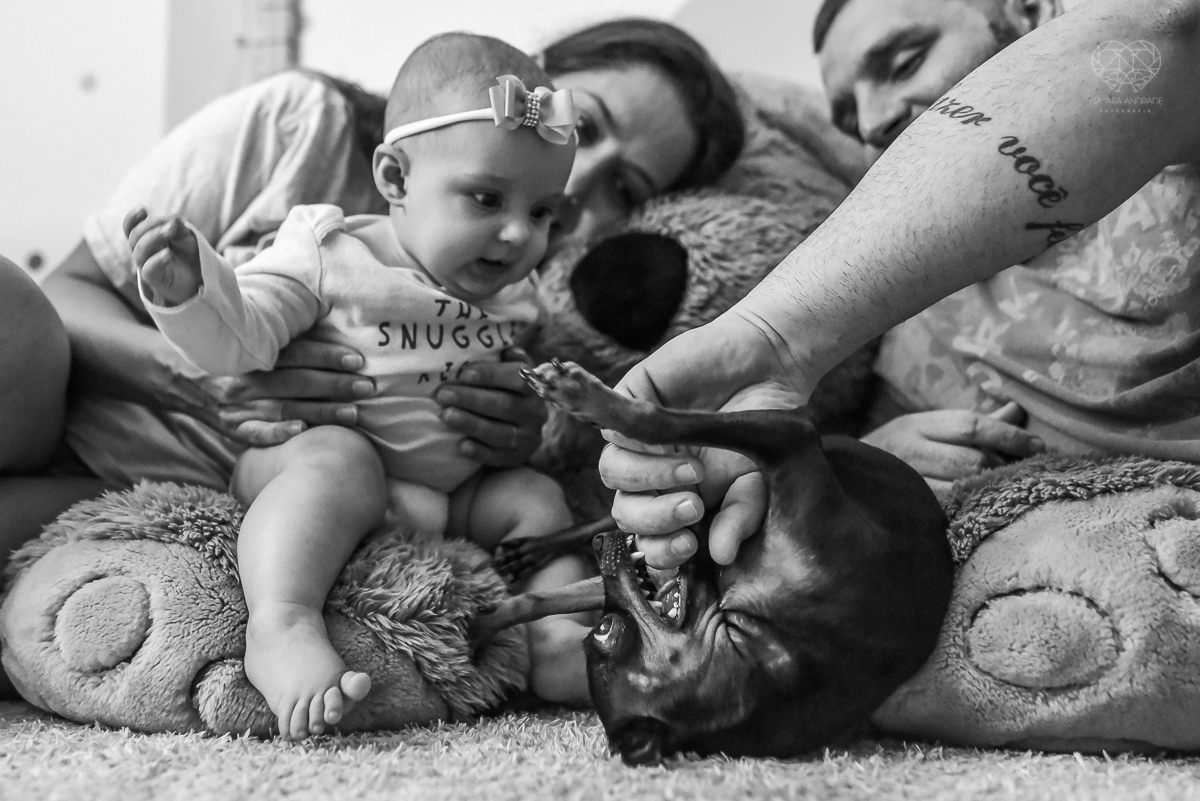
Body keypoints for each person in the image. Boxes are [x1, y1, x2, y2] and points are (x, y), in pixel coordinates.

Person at [0, 18, 742, 560]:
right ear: (533, 79)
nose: (579, 183)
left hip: (233, 501)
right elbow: (67, 292)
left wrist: (515, 434)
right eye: (587, 124)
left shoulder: (521, 287)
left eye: (623, 188)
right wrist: (202, 376)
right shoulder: (303, 131)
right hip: (99, 419)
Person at [598, 0, 1200, 570]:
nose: (872, 122)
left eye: (904, 62)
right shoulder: (905, 313)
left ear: (1029, 8)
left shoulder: (1155, 98)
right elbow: (839, 478)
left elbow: (1165, 32)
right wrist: (857, 463)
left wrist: (774, 337)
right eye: (849, 118)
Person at [120, 33, 597, 738]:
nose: (517, 235)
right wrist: (191, 290)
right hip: (308, 466)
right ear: (395, 178)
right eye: (487, 198)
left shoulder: (515, 297)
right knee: (339, 458)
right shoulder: (330, 252)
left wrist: (526, 410)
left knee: (535, 496)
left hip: (447, 493)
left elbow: (522, 394)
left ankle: (556, 638)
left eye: (542, 213)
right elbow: (239, 340)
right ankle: (281, 624)